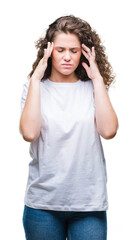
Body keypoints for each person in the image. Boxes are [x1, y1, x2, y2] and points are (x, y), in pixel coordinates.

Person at [19, 15, 118, 240]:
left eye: (73, 51)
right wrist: (35, 79)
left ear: (83, 52)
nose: (67, 57)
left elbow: (109, 131)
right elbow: (29, 133)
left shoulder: (92, 87)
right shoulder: (34, 88)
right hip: (42, 204)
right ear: (49, 51)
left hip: (89, 204)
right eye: (60, 50)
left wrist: (97, 80)